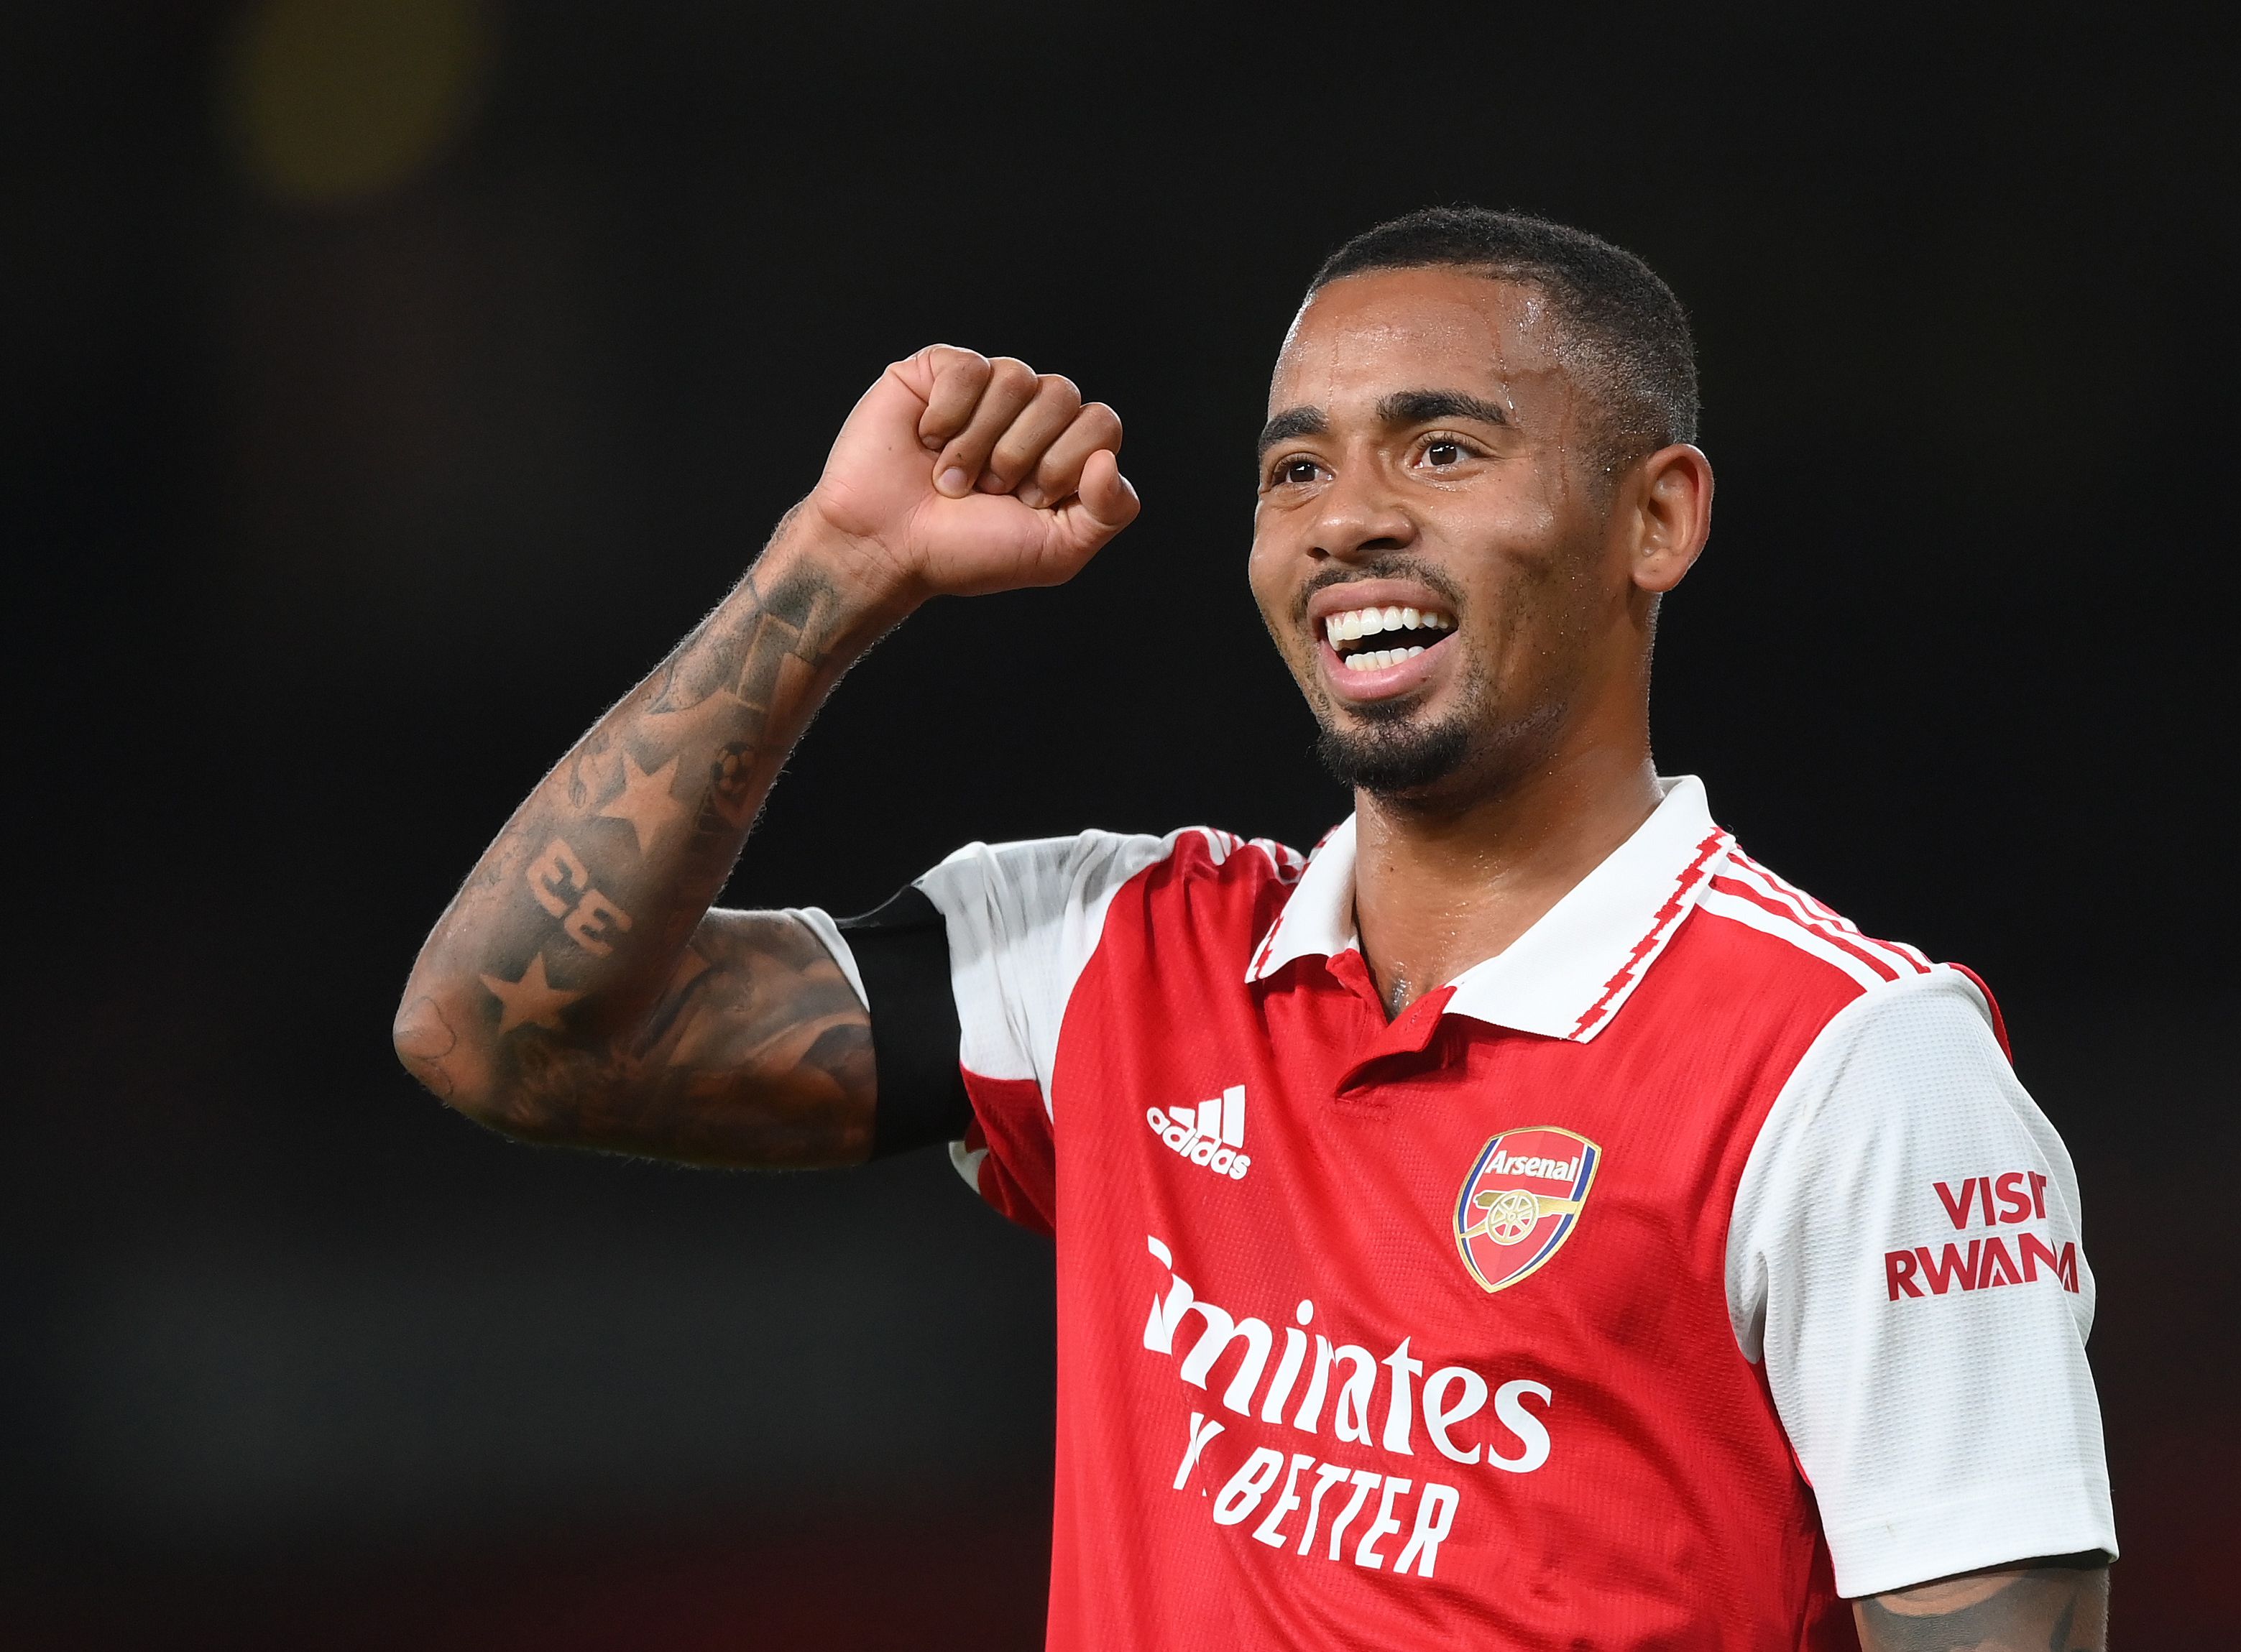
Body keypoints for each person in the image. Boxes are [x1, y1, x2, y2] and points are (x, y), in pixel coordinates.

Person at [394, 208, 2115, 1651]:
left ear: (1654, 518)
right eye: (1297, 467)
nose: (1348, 517)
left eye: (1442, 448)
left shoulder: (1852, 1070)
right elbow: (503, 1032)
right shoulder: (1106, 957)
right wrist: (838, 561)